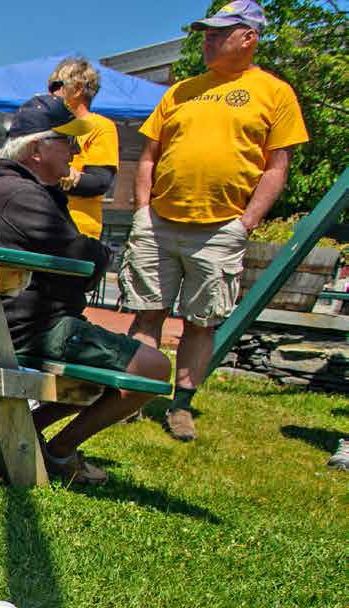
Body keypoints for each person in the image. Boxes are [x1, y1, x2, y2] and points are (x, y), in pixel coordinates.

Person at [121, 0, 308, 442]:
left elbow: (277, 166)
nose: (207, 41)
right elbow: (148, 156)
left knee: (201, 321)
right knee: (146, 313)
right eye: (206, 33)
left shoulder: (274, 92)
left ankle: (180, 405)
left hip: (221, 226)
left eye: (219, 33)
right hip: (160, 221)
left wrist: (247, 222)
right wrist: (142, 211)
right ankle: (130, 394)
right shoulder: (181, 90)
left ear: (249, 38)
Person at [0, 95, 171, 486]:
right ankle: (59, 451)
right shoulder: (24, 195)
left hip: (10, 321)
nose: (76, 151)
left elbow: (74, 262)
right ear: (35, 149)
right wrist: (99, 254)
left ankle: (24, 429)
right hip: (31, 327)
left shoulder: (18, 190)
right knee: (154, 366)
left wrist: (88, 258)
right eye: (66, 141)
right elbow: (84, 260)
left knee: (111, 367)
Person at [47, 57, 118, 240]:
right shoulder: (45, 125)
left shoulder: (101, 126)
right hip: (40, 226)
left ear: (77, 89)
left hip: (78, 233)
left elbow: (99, 182)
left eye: (56, 86)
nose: (51, 92)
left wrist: (56, 175)